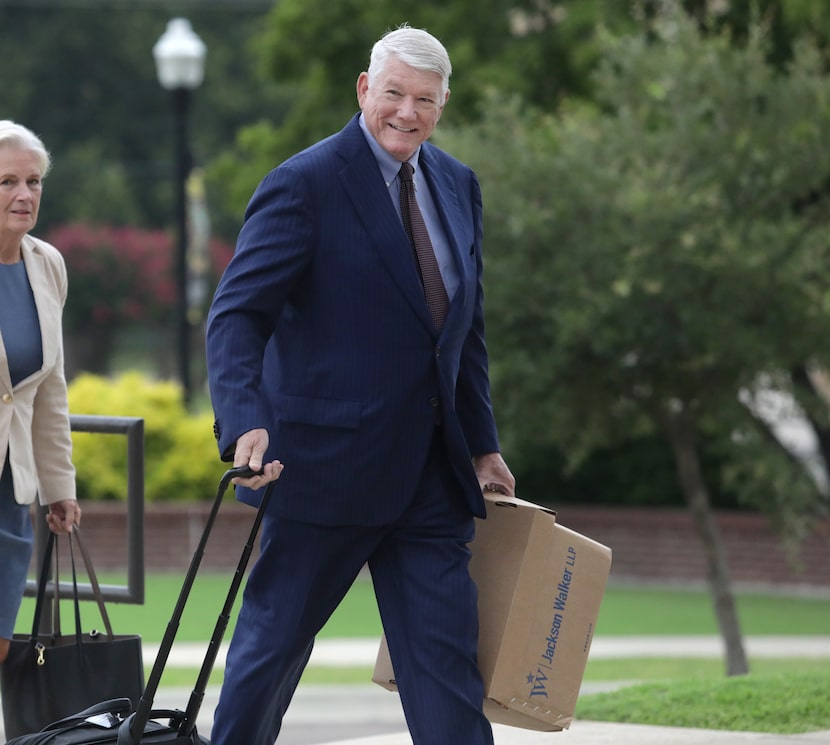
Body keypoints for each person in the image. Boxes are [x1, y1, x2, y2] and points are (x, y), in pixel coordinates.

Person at [206, 25, 515, 745]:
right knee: (271, 652)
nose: (408, 113)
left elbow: (464, 332)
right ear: (363, 90)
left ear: (442, 105)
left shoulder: (458, 183)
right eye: (395, 94)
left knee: (446, 668)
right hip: (322, 470)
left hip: (431, 480)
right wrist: (244, 419)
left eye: (426, 100)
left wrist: (483, 444)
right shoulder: (303, 183)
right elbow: (236, 314)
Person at [0, 121, 80, 664]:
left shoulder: (46, 264)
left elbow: (48, 389)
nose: (24, 195)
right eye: (6, 182)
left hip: (12, 493)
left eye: (33, 181)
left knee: (2, 647)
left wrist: (60, 487)